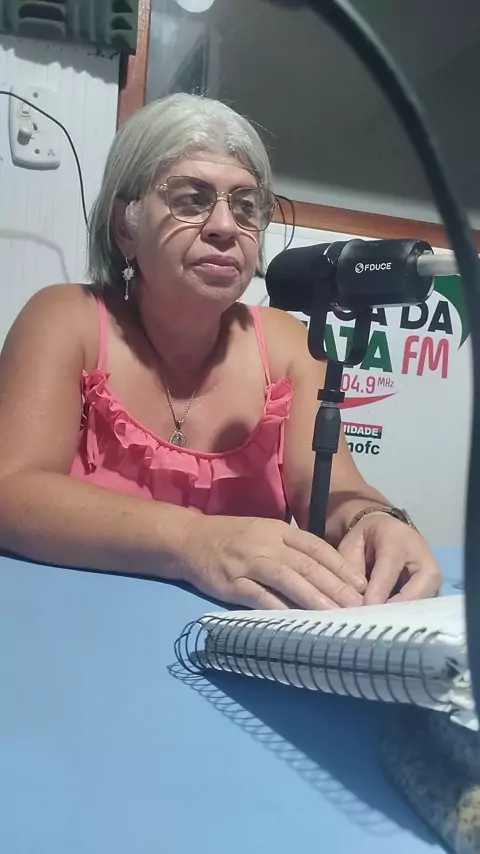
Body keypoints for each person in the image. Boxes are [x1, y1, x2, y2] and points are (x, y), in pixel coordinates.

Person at [0, 94, 441, 610]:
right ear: (126, 227)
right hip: (74, 625)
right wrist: (194, 542)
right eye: (191, 199)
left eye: (247, 205)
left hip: (245, 647)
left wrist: (375, 521)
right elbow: (12, 489)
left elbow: (333, 493)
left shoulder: (288, 346)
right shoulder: (65, 319)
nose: (226, 227)